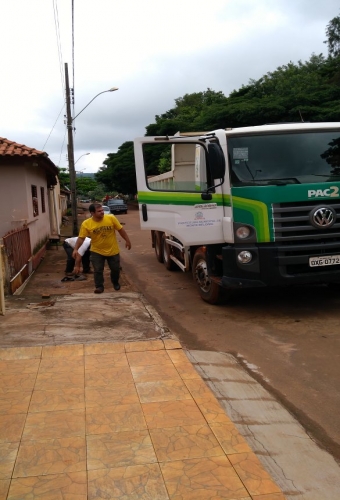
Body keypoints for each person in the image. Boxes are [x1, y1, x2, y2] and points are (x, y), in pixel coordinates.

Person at [72, 203, 131, 293]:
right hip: (97, 251)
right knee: (98, 270)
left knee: (115, 269)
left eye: (102, 210)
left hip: (113, 250)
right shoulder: (86, 223)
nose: (102, 212)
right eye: (99, 211)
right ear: (92, 213)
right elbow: (81, 238)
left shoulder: (111, 218)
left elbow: (120, 230)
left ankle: (115, 282)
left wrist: (127, 240)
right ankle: (99, 286)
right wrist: (76, 249)